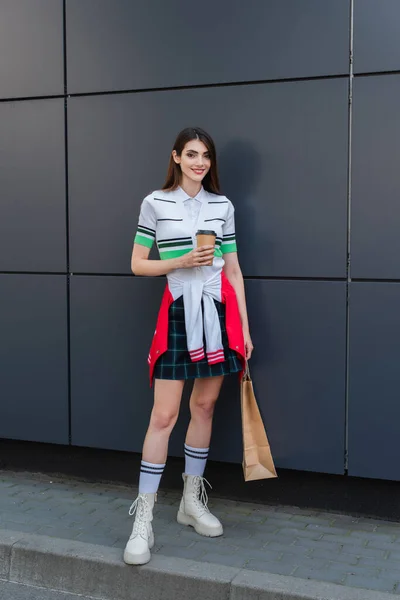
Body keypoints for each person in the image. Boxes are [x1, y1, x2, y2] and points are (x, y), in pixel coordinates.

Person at [124, 127, 253, 565]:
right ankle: (143, 522)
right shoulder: (155, 202)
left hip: (218, 313)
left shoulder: (223, 206)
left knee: (205, 407)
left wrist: (245, 330)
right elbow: (138, 264)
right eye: (192, 154)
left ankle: (190, 502)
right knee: (164, 415)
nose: (200, 162)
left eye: (206, 156)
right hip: (179, 309)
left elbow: (234, 272)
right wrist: (180, 261)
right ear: (176, 157)